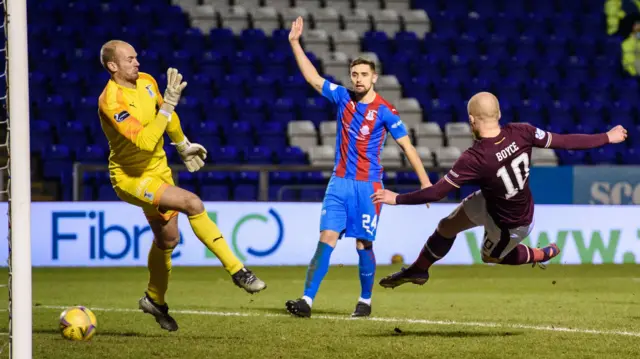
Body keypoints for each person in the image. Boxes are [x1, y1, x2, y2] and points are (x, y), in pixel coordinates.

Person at [372, 92, 628, 287]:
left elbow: (437, 193)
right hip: (492, 201)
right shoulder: (523, 132)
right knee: (446, 226)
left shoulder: (474, 157)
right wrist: (607, 136)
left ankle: (541, 253)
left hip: (511, 222)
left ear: (471, 120)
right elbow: (565, 141)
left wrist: (398, 198)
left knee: (491, 257)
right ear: (499, 114)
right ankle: (418, 269)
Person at [97, 40, 266, 331]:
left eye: (137, 57)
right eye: (129, 59)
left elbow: (167, 114)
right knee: (193, 203)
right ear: (113, 66)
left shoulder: (147, 81)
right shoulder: (111, 101)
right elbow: (145, 140)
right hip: (130, 177)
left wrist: (182, 144)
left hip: (158, 169)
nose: (137, 62)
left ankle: (154, 299)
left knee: (168, 240)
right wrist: (169, 106)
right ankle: (239, 271)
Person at [284, 17, 432, 318]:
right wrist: (294, 43)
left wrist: (427, 185)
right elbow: (313, 78)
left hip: (369, 186)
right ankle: (306, 301)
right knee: (327, 237)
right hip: (339, 183)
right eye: (354, 74)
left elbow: (408, 147)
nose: (358, 79)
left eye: (364, 74)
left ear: (374, 77)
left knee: (364, 243)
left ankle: (365, 301)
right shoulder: (343, 98)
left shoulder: (386, 112)